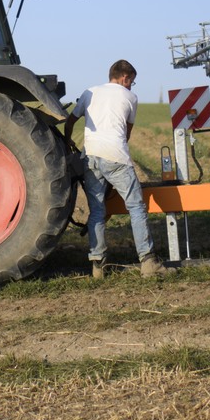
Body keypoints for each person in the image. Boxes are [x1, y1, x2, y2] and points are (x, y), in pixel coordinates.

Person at [65, 59, 172, 279]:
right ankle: (148, 262)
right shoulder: (130, 97)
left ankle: (97, 266)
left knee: (97, 211)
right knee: (136, 207)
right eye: (132, 81)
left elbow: (70, 121)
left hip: (91, 157)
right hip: (115, 158)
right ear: (124, 78)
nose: (132, 86)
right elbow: (127, 133)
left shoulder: (89, 92)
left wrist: (68, 143)